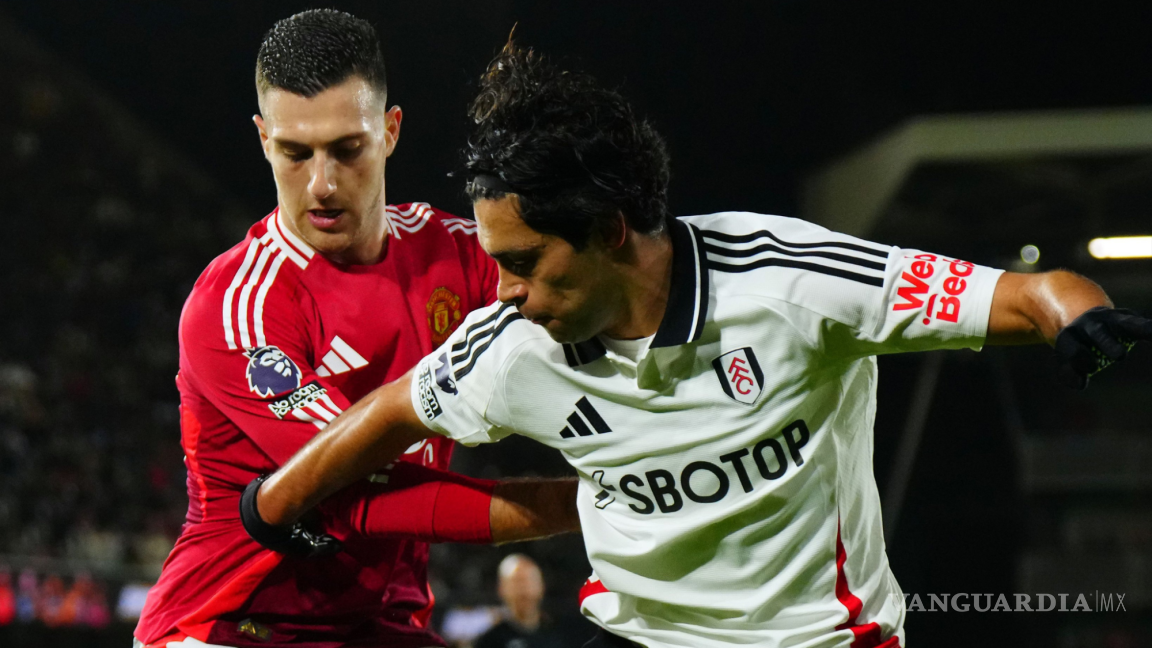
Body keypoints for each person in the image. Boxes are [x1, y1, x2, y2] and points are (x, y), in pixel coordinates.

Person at [243, 42, 1152, 648]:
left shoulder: (790, 283)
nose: (505, 291)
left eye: (522, 263)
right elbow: (394, 411)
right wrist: (270, 508)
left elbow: (1028, 292)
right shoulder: (513, 347)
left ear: (606, 230)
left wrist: (1078, 317)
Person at [133, 15, 578, 648]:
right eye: (295, 152)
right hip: (233, 622)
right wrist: (585, 503)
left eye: (348, 149)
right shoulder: (238, 305)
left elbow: (582, 314)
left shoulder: (455, 255)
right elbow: (363, 493)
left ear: (390, 131)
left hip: (380, 624)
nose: (322, 184)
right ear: (263, 140)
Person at [475, 554, 570, 648]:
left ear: (542, 586)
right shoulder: (489, 642)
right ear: (501, 589)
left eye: (530, 581)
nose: (524, 590)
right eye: (517, 582)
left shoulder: (563, 633)